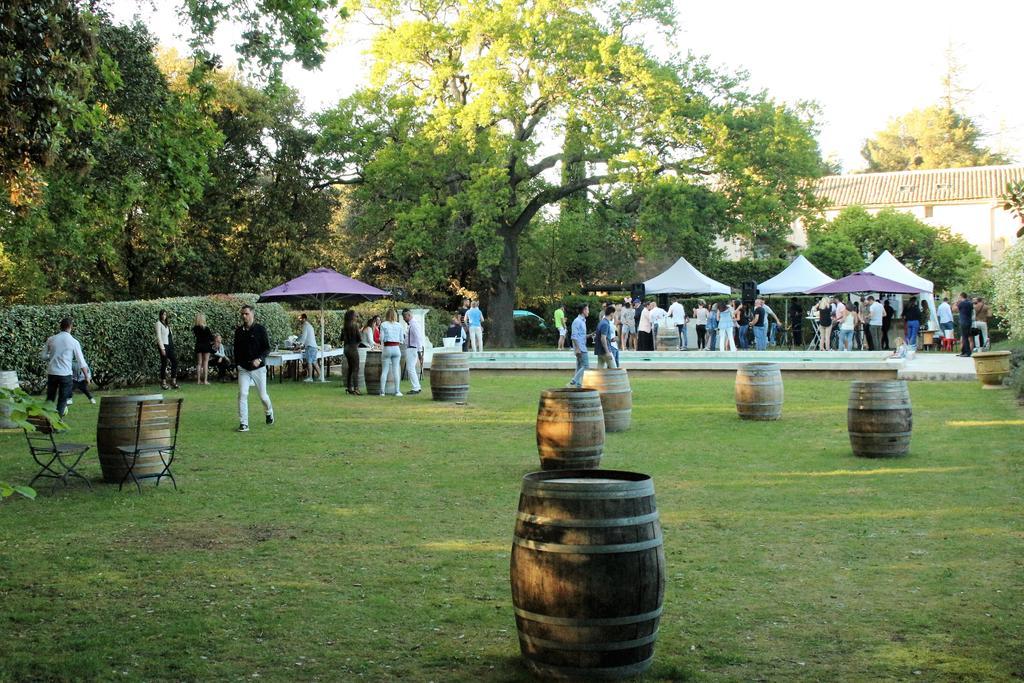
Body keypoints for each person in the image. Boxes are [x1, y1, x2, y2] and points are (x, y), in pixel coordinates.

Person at [234, 305, 274, 432]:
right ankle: (244, 423)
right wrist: (238, 365)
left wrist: (259, 359)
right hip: (244, 368)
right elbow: (236, 350)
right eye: (242, 314)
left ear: (252, 314)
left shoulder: (260, 330)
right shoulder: (239, 331)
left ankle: (269, 412)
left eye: (246, 314)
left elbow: (267, 348)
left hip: (258, 368)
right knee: (243, 394)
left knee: (263, 396)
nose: (244, 316)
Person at [42, 318, 90, 417]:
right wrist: (86, 376)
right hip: (65, 374)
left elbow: (43, 356)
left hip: (52, 373)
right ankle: (57, 424)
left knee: (50, 398)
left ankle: (45, 419)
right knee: (62, 400)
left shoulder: (51, 339)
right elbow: (81, 361)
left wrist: (51, 357)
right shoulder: (73, 341)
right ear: (71, 327)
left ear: (60, 326)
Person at [379, 309, 405, 396]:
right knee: (396, 370)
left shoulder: (383, 324)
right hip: (396, 348)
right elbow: (402, 339)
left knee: (385, 370)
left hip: (387, 348)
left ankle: (382, 392)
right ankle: (397, 391)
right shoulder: (399, 325)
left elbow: (381, 338)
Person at [402, 309, 424, 395]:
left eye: (404, 317)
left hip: (413, 349)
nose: (404, 319)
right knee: (410, 368)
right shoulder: (411, 324)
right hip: (411, 348)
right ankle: (416, 386)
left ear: (409, 315)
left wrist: (420, 352)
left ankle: (416, 387)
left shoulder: (414, 324)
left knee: (410, 368)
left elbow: (418, 339)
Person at [155, 309, 179, 390]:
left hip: (169, 346)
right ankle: (163, 382)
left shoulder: (167, 324)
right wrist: (162, 348)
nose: (164, 316)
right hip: (163, 346)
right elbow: (159, 337)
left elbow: (169, 336)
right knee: (164, 363)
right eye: (162, 314)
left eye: (165, 314)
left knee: (175, 361)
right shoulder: (158, 324)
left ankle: (173, 381)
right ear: (160, 315)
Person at [568, 304, 590, 386]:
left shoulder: (583, 321)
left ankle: (578, 385)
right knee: (586, 366)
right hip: (581, 348)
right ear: (584, 310)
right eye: (587, 310)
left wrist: (590, 335)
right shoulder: (577, 321)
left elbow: (581, 336)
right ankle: (574, 380)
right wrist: (577, 349)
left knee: (579, 366)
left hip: (581, 346)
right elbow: (574, 336)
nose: (588, 312)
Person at [191, 312, 215, 385]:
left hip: (198, 345)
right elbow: (211, 338)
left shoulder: (195, 328)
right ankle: (205, 380)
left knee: (199, 363)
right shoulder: (206, 328)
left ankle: (198, 381)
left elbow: (196, 336)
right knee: (205, 362)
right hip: (206, 345)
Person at [342, 310, 362, 395]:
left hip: (346, 349)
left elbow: (341, 338)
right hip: (353, 348)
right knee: (356, 368)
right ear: (352, 317)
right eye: (355, 316)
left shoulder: (344, 327)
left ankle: (349, 387)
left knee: (350, 368)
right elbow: (359, 339)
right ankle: (356, 388)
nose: (356, 317)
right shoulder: (355, 326)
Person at [296, 313, 319, 382]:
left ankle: (310, 377)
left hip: (310, 346)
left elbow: (304, 337)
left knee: (309, 362)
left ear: (304, 319)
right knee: (314, 362)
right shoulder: (310, 326)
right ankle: (320, 375)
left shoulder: (305, 326)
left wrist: (299, 346)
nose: (300, 320)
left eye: (301, 319)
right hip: (314, 346)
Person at [957, 292, 974, 357]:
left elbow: (955, 309)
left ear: (961, 296)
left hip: (963, 321)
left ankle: (967, 352)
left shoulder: (961, 303)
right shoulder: (970, 303)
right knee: (966, 337)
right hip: (969, 321)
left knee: (964, 337)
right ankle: (963, 351)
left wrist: (956, 303)